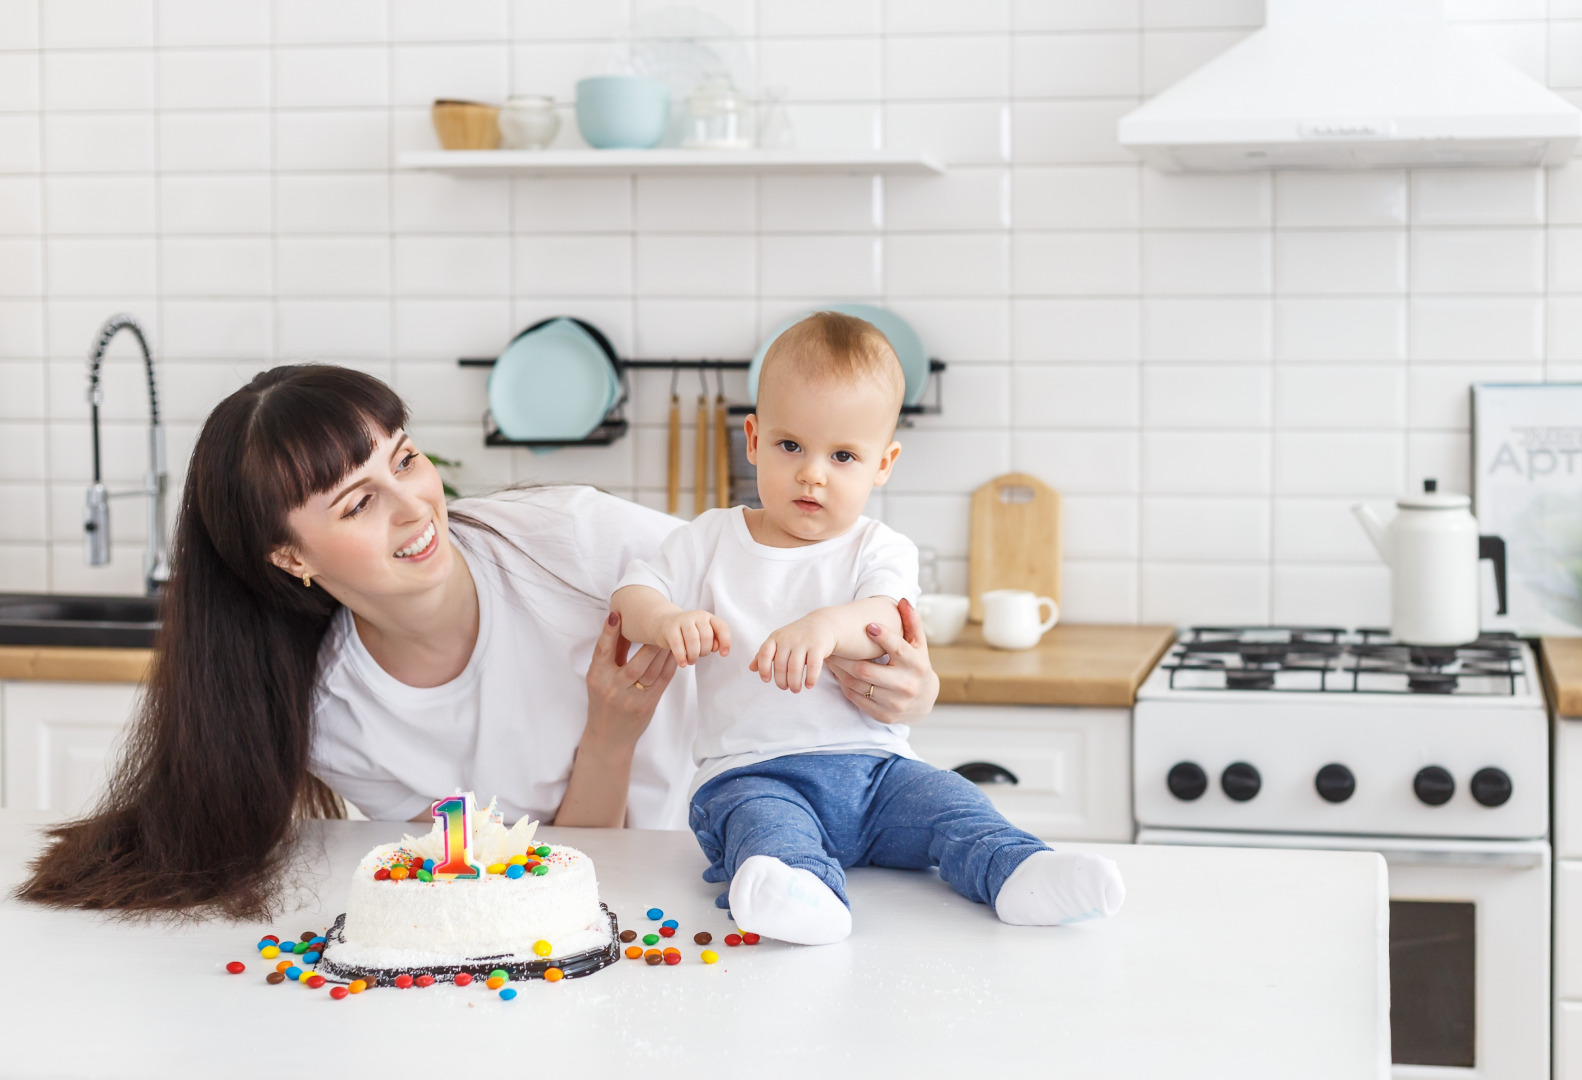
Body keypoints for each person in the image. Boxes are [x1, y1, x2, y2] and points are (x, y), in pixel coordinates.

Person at [16, 364, 940, 919]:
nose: (414, 505)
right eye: (358, 502)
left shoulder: (573, 539)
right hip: (598, 936)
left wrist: (908, 685)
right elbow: (543, 886)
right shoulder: (344, 717)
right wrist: (610, 736)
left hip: (749, 887)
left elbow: (795, 584)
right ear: (291, 558)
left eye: (405, 459)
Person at [612, 312, 1125, 945]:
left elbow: (888, 619)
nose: (813, 473)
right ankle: (801, 892)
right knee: (763, 826)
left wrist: (828, 626)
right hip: (753, 772)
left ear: (883, 463)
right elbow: (633, 592)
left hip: (881, 775)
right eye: (790, 446)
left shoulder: (880, 548)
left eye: (843, 455)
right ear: (752, 439)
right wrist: (664, 619)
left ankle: (1021, 871)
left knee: (952, 802)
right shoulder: (710, 539)